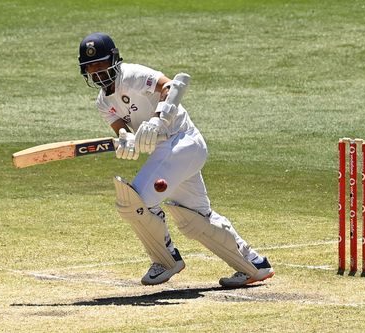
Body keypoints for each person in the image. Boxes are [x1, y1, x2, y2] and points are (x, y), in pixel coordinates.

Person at [77, 32, 274, 287]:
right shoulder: (103, 103)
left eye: (101, 65)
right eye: (91, 68)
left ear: (114, 59)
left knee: (134, 203)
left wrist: (159, 119)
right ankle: (254, 264)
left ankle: (166, 259)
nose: (97, 72)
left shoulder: (133, 74)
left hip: (183, 140)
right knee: (197, 219)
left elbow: (171, 86)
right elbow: (122, 130)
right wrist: (126, 140)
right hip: (169, 155)